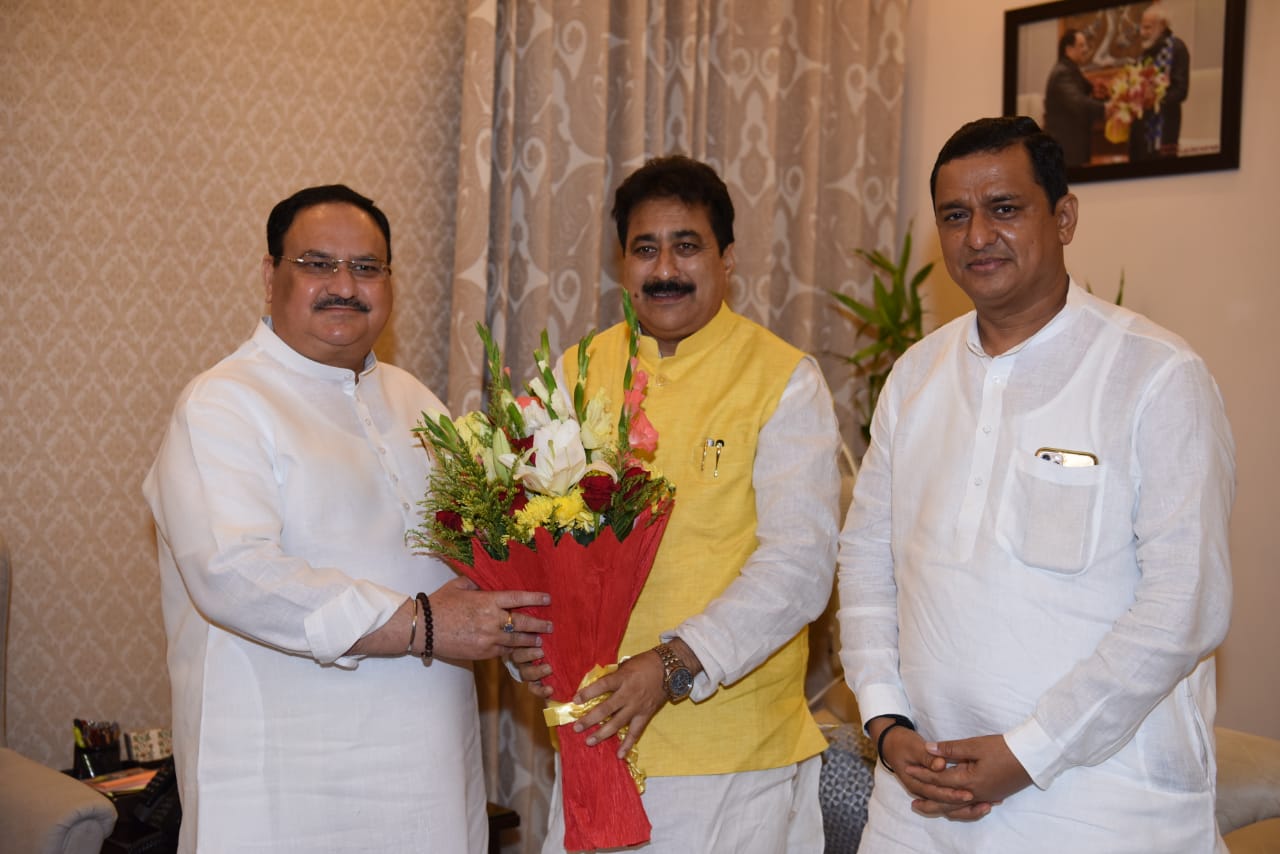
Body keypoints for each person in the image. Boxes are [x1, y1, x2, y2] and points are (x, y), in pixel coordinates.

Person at [837, 116, 1235, 853]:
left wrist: (1031, 750)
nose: (977, 234)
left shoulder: (1155, 376)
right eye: (955, 215)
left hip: (1098, 805)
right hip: (918, 804)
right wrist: (886, 720)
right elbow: (865, 562)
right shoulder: (915, 377)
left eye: (1005, 208)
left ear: (1064, 216)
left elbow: (1186, 605)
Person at [144, 184, 552, 853]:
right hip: (281, 783)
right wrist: (421, 623)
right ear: (271, 274)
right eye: (317, 264)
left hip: (430, 781)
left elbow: (477, 562)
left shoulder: (417, 403)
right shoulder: (222, 405)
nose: (345, 285)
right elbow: (234, 575)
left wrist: (515, 634)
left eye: (367, 268)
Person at [513, 155, 842, 852]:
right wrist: (528, 641)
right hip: (595, 739)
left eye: (686, 245)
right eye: (645, 248)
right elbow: (528, 546)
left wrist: (672, 665)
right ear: (621, 263)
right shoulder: (571, 377)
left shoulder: (783, 380)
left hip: (731, 753)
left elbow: (800, 567)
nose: (665, 267)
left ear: (726, 259)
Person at [1130, 2, 1190, 160]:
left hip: (1165, 131)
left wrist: (1155, 99)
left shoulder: (1177, 48)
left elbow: (1181, 91)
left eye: (1148, 27)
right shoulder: (1144, 55)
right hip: (1141, 134)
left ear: (1162, 26)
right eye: (1142, 27)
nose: (1143, 33)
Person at [1043, 29, 1106, 167]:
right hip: (1066, 146)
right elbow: (1077, 101)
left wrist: (1099, 92)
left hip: (1072, 143)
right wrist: (1105, 108)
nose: (1086, 49)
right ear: (1069, 49)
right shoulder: (1062, 73)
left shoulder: (1071, 70)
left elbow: (1090, 90)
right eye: (1082, 45)